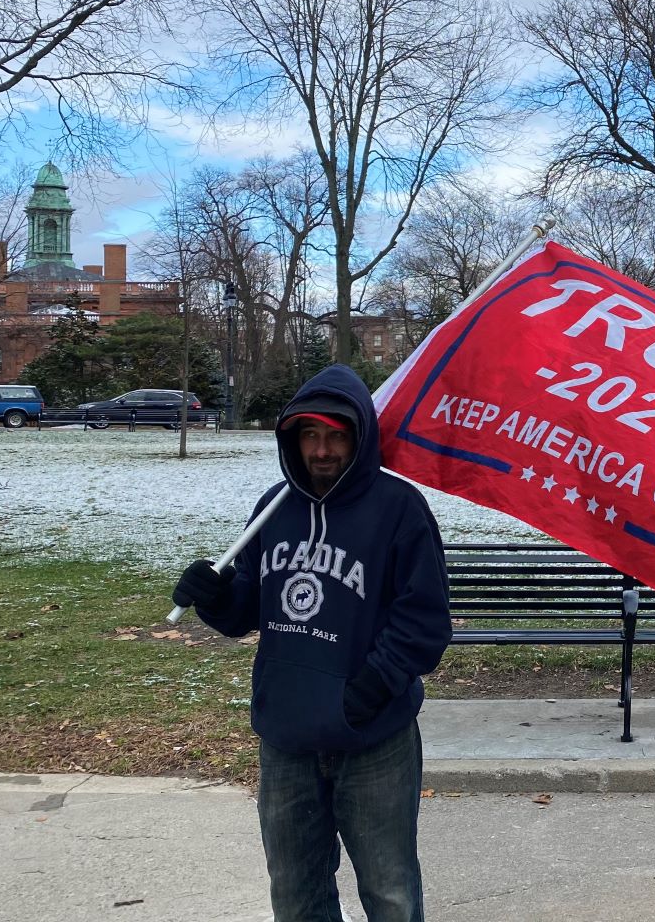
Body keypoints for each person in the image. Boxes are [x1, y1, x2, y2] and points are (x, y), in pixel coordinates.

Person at [172, 365, 450, 922]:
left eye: (337, 436)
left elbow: (424, 621)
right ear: (291, 439)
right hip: (288, 738)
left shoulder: (399, 511)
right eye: (309, 436)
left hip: (373, 738)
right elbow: (247, 609)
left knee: (389, 890)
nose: (322, 451)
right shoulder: (275, 508)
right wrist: (215, 597)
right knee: (295, 891)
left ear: (359, 438)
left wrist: (368, 691)